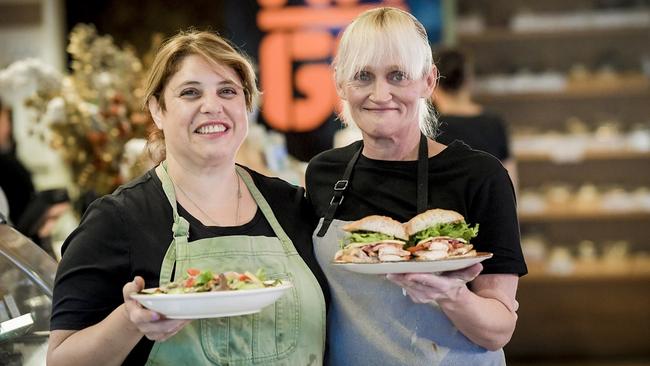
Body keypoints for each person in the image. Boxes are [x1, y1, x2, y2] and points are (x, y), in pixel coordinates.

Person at [47, 30, 327, 365]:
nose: (212, 107)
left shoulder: (291, 205)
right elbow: (62, 360)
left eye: (228, 91)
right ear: (157, 110)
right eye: (190, 93)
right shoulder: (118, 219)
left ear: (246, 105)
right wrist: (131, 320)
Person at [306, 7, 527, 366]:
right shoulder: (322, 173)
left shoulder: (479, 176)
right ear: (340, 84)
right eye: (363, 76)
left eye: (397, 76)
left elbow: (498, 330)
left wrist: (451, 294)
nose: (380, 94)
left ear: (428, 81)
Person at [433, 48, 518, 190]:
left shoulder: (429, 127)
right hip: (490, 209)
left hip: (443, 212)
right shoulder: (494, 124)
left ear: (432, 82)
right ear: (468, 80)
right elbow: (510, 184)